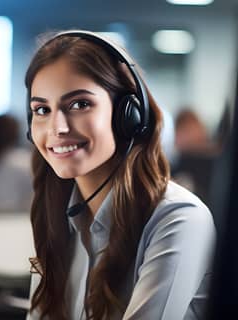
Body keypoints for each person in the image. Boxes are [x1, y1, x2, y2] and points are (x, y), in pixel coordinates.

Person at [25, 30, 216, 320]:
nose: (56, 128)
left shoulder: (179, 218)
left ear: (129, 115)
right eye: (41, 109)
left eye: (79, 104)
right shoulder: (58, 217)